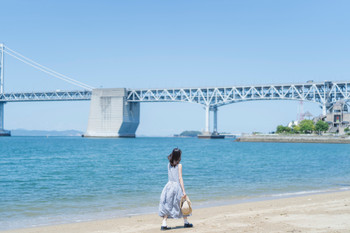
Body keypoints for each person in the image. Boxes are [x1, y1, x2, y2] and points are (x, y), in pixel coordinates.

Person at [158, 148, 193, 230]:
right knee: (182, 204)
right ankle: (186, 222)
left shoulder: (168, 164)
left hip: (169, 186)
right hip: (177, 187)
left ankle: (164, 224)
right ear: (179, 156)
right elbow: (180, 178)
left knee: (167, 205)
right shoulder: (179, 165)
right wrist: (184, 191)